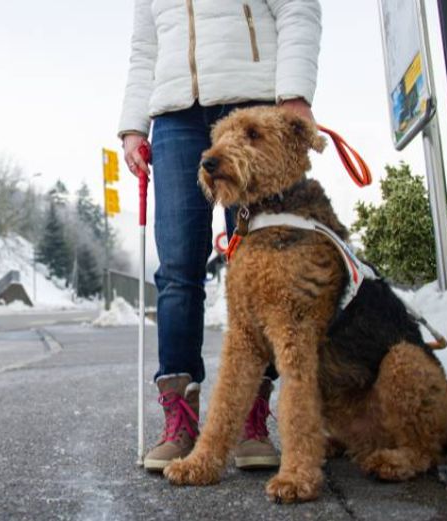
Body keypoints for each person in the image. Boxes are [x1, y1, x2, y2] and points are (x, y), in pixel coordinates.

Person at [117, 0, 322, 471]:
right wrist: (133, 126)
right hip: (173, 118)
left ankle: (253, 414)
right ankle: (181, 418)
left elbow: (297, 8)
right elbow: (144, 47)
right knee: (176, 271)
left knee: (267, 266)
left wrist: (293, 92)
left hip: (250, 104)